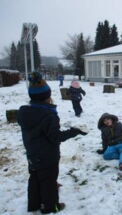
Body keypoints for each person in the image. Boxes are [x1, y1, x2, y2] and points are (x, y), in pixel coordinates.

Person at [17, 72, 87, 214]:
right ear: (47, 96)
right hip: (48, 156)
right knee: (49, 181)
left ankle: (34, 205)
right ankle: (51, 207)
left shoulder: (24, 112)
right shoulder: (49, 115)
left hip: (32, 154)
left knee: (35, 178)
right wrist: (73, 131)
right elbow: (55, 137)